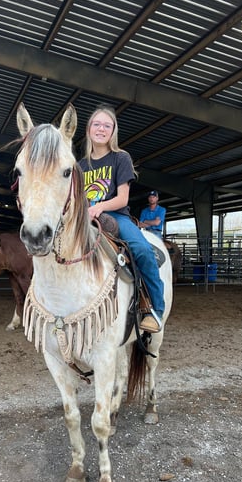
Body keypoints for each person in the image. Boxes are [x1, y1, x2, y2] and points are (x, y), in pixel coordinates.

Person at [78, 105, 165, 333]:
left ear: (113, 131)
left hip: (116, 215)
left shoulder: (120, 158)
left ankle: (154, 310)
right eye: (97, 124)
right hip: (84, 218)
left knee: (143, 250)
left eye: (107, 125)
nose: (101, 129)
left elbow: (123, 198)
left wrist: (98, 208)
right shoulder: (79, 166)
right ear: (88, 130)